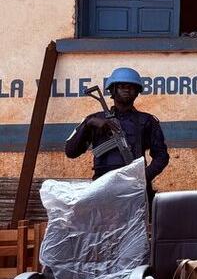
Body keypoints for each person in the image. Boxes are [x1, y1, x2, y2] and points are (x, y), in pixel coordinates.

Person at [64, 66, 169, 195]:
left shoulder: (147, 121)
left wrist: (143, 177)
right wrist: (88, 124)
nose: (126, 89)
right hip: (103, 187)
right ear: (112, 90)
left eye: (131, 87)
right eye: (121, 86)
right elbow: (71, 152)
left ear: (137, 92)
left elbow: (161, 156)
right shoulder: (94, 119)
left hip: (135, 188)